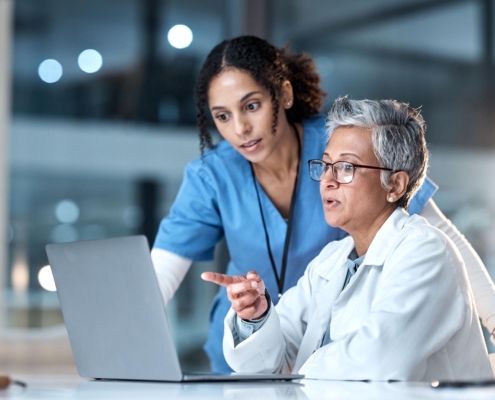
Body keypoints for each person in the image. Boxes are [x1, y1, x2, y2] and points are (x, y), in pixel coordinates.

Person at [152, 36, 495, 372]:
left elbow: (440, 238)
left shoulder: (341, 141)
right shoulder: (215, 175)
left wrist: (494, 319)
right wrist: (256, 315)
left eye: (251, 106)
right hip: (271, 350)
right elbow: (158, 278)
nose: (240, 128)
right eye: (222, 116)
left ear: (283, 94)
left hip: (333, 364)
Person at [202, 98, 493, 381]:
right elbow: (270, 360)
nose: (328, 180)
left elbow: (379, 360)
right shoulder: (333, 258)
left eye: (346, 168)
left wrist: (297, 370)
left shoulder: (425, 251)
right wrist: (257, 318)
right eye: (326, 165)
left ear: (395, 184)